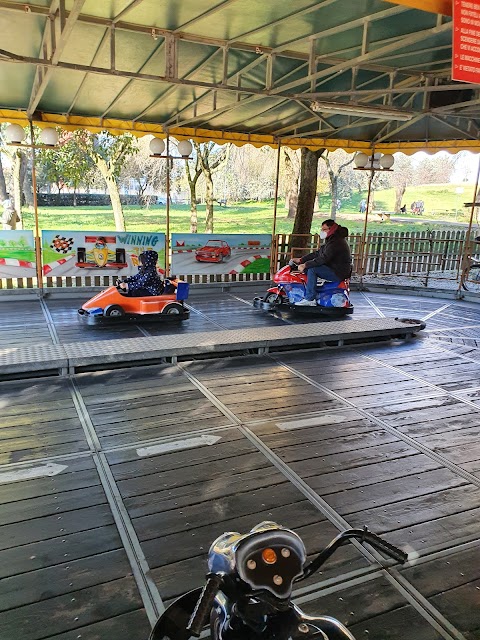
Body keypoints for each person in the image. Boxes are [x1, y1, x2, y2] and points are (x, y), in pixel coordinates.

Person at [293, 219, 352, 307]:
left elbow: (324, 258)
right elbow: (318, 253)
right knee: (309, 269)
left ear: (331, 229)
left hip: (338, 272)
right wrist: (301, 260)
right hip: (336, 269)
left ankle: (310, 298)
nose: (322, 231)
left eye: (324, 229)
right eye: (322, 229)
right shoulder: (332, 240)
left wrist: (306, 264)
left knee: (312, 269)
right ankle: (311, 291)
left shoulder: (335, 242)